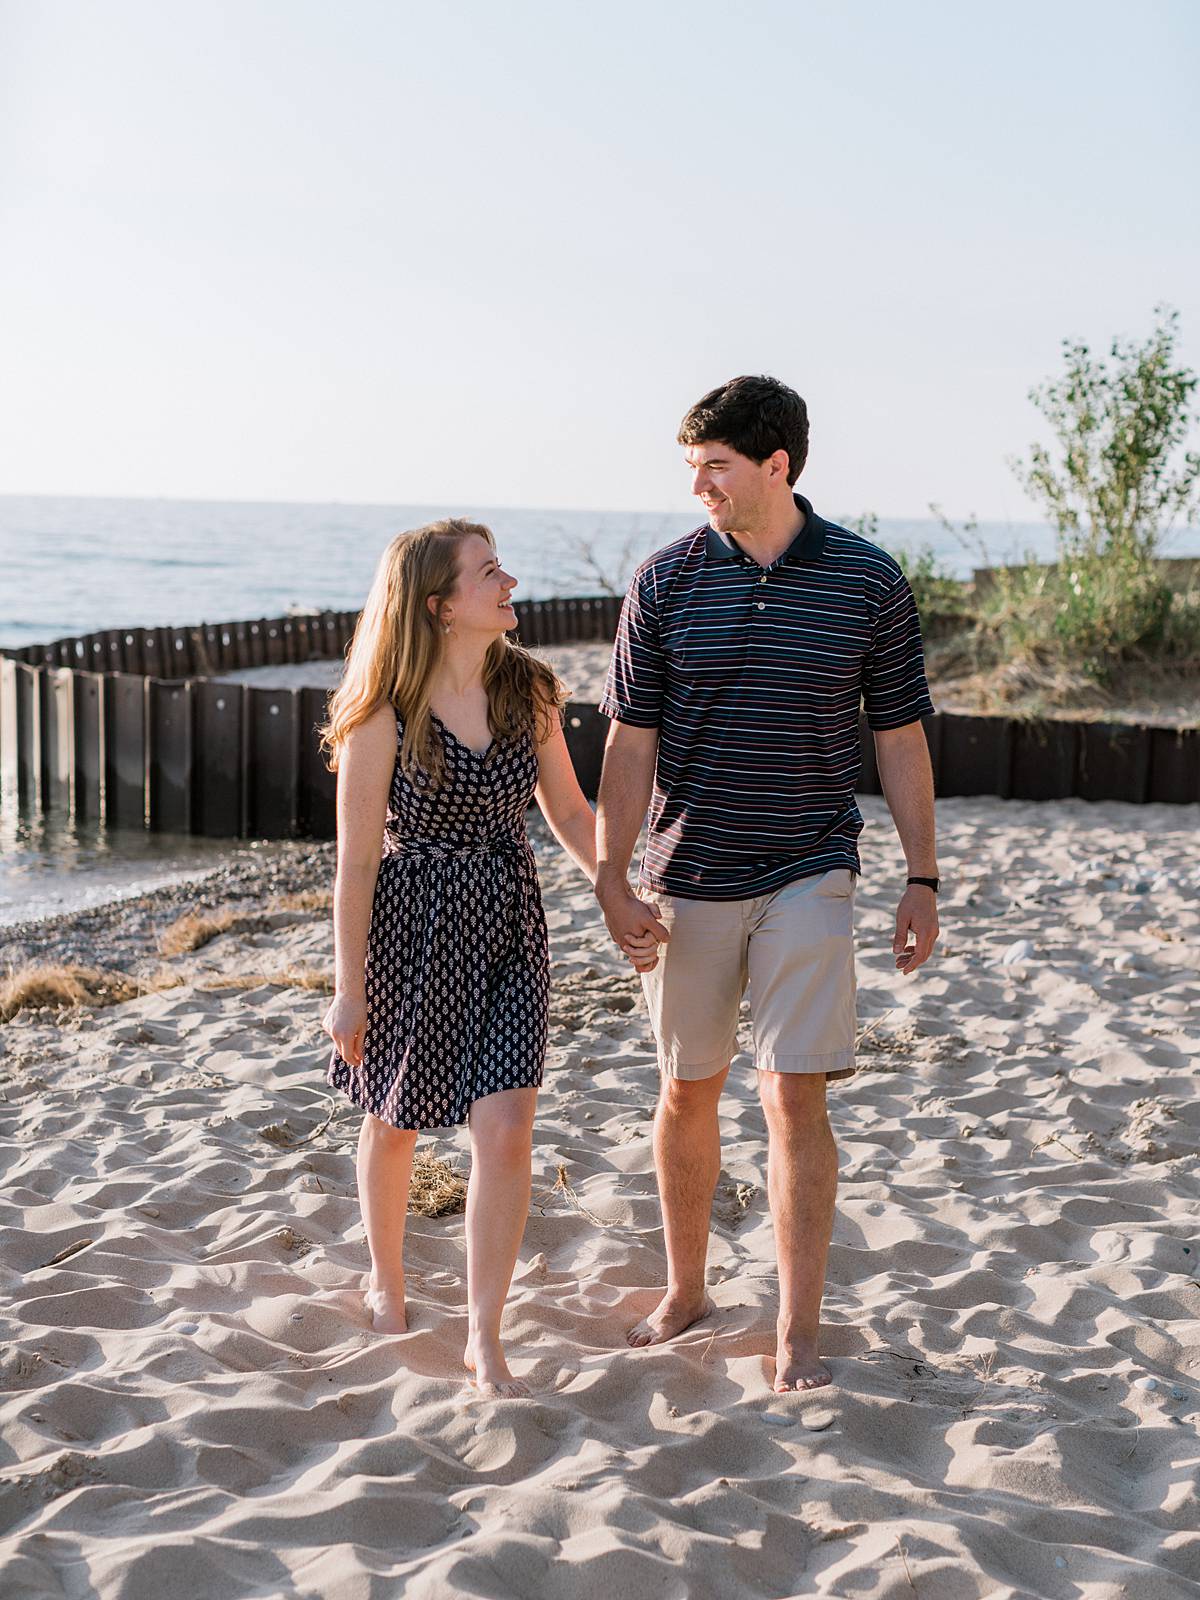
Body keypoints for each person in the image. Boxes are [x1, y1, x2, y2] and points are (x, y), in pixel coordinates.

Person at [593, 375, 940, 1393]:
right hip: (687, 875)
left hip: (809, 868)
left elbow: (902, 736)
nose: (699, 483)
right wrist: (612, 877)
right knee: (687, 1087)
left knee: (793, 1095)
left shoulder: (868, 582)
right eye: (692, 466)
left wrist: (922, 874)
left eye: (716, 465)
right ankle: (687, 1287)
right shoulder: (661, 584)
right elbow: (628, 741)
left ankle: (796, 1329)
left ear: (776, 465)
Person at [320, 517, 656, 1398]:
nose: (510, 582)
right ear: (439, 605)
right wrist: (348, 989)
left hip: (509, 924)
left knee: (505, 1133)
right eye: (489, 572)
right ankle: (387, 1281)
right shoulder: (382, 714)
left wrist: (613, 886)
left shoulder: (530, 690)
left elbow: (574, 815)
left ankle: (482, 1333)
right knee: (394, 1119)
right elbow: (355, 861)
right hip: (411, 930)